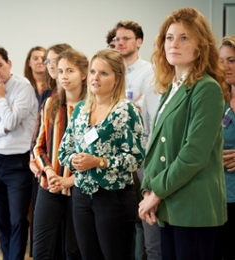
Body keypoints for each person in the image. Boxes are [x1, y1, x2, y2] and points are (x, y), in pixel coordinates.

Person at [138, 7, 229, 260]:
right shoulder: (173, 88)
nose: (174, 44)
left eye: (184, 37)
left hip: (193, 207)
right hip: (172, 202)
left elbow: (194, 154)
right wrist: (147, 189)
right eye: (169, 37)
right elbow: (157, 146)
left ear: (200, 45)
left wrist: (155, 192)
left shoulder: (206, 88)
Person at [58, 49, 145, 260]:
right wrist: (74, 160)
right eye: (93, 72)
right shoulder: (80, 109)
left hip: (113, 197)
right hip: (81, 195)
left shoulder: (126, 110)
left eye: (104, 73)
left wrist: (100, 161)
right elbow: (64, 150)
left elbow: (137, 157)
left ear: (117, 79)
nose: (95, 78)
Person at [0, 46, 38, 260]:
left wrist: (1, 99)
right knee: (0, 218)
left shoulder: (23, 87)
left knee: (18, 219)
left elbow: (11, 122)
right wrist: (0, 129)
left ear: (9, 63)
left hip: (18, 163)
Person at [31, 48, 87, 260]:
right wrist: (48, 171)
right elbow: (38, 146)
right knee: (41, 249)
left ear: (83, 74)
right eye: (61, 70)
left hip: (79, 188)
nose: (63, 76)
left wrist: (69, 180)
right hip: (50, 185)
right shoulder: (50, 104)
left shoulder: (93, 107)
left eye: (70, 70)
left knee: (74, 250)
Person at [114, 19, 157, 260]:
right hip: (115, 154)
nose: (120, 42)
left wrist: (125, 108)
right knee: (123, 218)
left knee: (142, 218)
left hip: (139, 153)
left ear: (139, 42)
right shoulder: (113, 70)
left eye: (126, 38)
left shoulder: (149, 71)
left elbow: (142, 112)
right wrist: (129, 106)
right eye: (117, 39)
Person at [215, 35, 235, 260]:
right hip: (218, 195)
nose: (225, 67)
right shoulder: (215, 98)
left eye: (232, 60)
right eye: (221, 61)